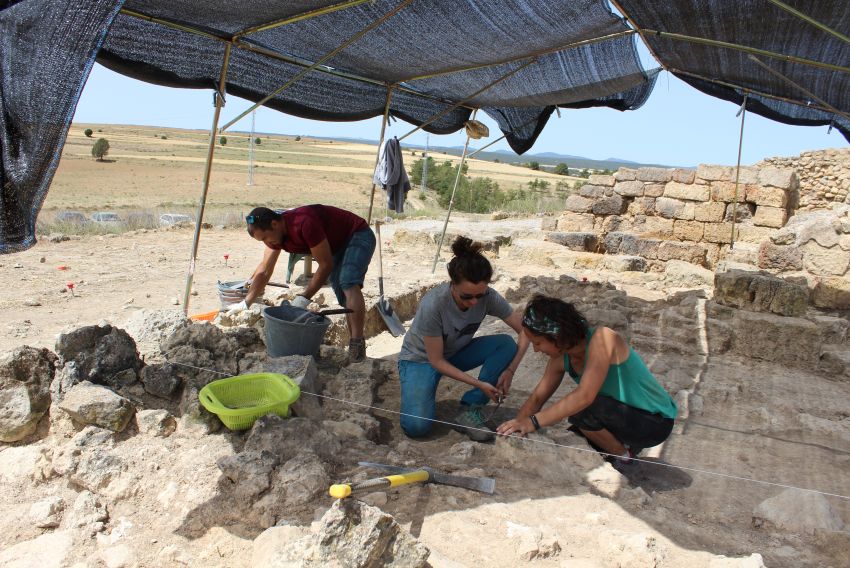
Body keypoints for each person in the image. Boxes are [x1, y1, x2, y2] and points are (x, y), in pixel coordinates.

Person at [497, 295, 677, 465]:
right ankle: (618, 449)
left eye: (538, 343)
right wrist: (516, 427)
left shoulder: (603, 338)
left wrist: (533, 422)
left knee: (582, 411)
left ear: (557, 337)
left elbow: (584, 396)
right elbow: (537, 399)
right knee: (575, 439)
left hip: (654, 422)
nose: (536, 350)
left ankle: (624, 457)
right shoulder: (560, 359)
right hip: (618, 415)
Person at [397, 236, 529, 442]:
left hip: (455, 353)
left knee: (505, 344)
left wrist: (510, 371)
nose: (475, 302)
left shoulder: (489, 297)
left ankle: (470, 410)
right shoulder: (434, 304)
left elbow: (524, 331)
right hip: (422, 359)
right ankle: (422, 393)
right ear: (453, 285)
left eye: (480, 295)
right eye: (467, 296)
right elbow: (436, 361)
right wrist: (480, 383)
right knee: (417, 426)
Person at [240, 205, 375, 362]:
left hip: (357, 234)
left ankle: (356, 344)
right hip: (337, 245)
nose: (266, 242)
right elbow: (264, 271)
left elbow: (325, 265)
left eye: (264, 238)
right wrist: (245, 303)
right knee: (341, 291)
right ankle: (354, 344)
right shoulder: (274, 236)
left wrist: (303, 298)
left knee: (348, 281)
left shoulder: (304, 222)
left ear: (274, 224)